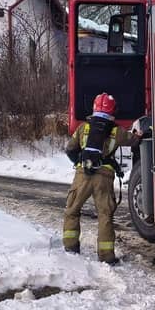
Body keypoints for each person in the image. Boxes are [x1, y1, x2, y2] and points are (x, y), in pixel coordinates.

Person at [62, 93, 139, 264]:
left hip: (83, 175)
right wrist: (139, 134)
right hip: (104, 177)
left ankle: (71, 248)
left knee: (72, 210)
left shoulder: (83, 128)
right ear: (113, 110)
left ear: (94, 108)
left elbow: (70, 149)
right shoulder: (117, 131)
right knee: (105, 215)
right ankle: (106, 256)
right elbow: (134, 141)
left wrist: (80, 163)